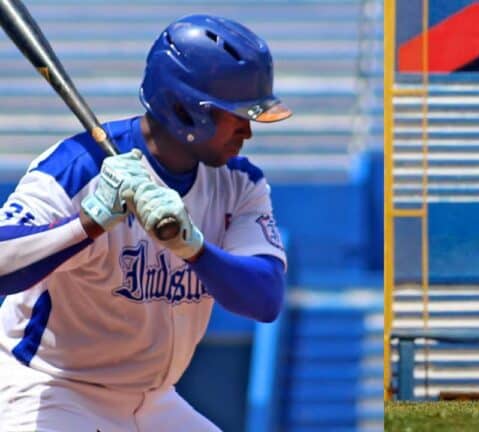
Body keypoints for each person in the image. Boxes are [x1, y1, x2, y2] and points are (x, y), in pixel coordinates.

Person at [0, 15, 290, 431]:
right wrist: (88, 224)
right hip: (47, 387)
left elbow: (264, 298)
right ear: (183, 110)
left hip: (153, 400)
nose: (247, 130)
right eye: (235, 115)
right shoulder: (78, 168)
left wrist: (192, 247)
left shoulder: (240, 184)